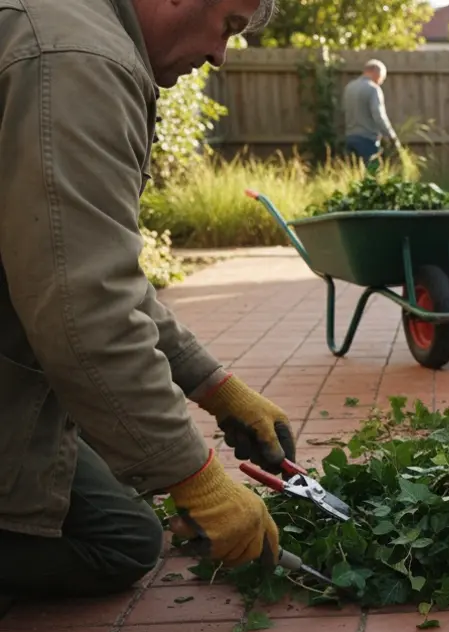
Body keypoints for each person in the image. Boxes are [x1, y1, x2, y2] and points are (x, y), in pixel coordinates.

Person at [0, 0, 294, 599]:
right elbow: (83, 305)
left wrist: (215, 387)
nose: (220, 55)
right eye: (228, 26)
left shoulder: (78, 28)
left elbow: (85, 270)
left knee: (116, 485)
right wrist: (196, 477)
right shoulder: (81, 60)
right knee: (122, 542)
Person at [342, 59, 400, 165]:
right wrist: (392, 136)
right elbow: (379, 115)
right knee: (372, 173)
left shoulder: (349, 87)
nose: (381, 82)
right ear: (376, 73)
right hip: (367, 140)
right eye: (382, 78)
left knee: (353, 173)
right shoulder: (373, 89)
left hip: (350, 137)